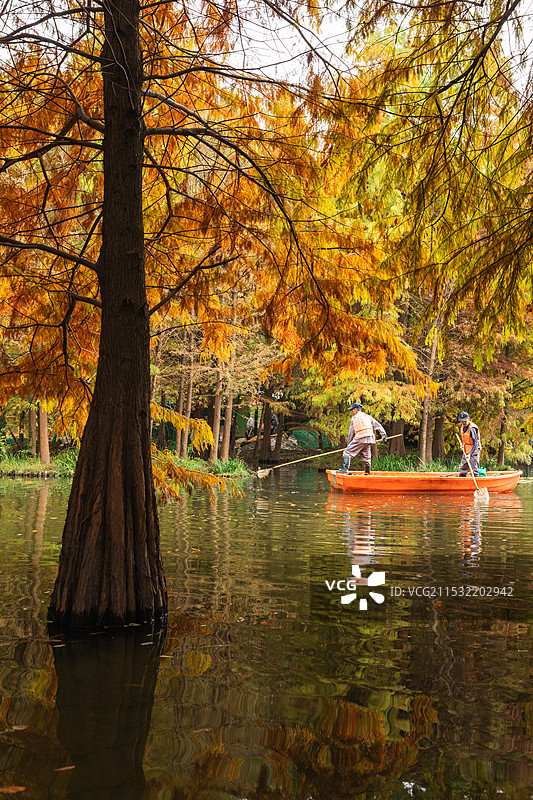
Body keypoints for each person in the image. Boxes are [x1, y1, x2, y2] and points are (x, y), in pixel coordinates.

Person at [340, 402, 387, 474]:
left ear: (356, 409)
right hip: (370, 438)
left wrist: (349, 445)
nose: (352, 411)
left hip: (360, 437)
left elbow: (351, 433)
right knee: (366, 456)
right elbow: (378, 425)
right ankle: (367, 472)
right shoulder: (368, 416)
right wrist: (384, 436)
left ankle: (344, 470)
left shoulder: (354, 418)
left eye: (352, 410)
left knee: (347, 453)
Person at [457, 411, 481, 477]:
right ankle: (462, 480)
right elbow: (465, 438)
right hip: (466, 449)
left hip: (474, 449)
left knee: (474, 467)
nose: (463, 423)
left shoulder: (472, 428)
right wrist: (462, 445)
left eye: (465, 421)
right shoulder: (462, 426)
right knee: (463, 467)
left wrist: (470, 454)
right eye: (462, 421)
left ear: (469, 419)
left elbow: (475, 443)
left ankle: (476, 481)